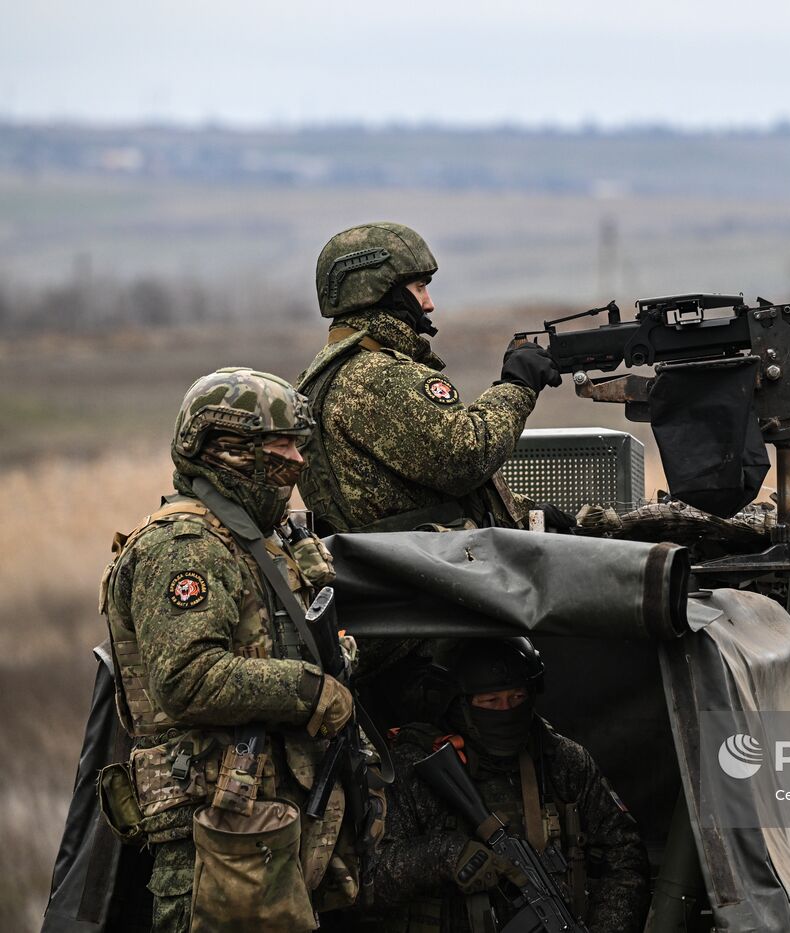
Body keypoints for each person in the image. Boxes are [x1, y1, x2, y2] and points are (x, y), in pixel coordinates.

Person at [98, 367, 376, 932]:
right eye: (279, 445)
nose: (295, 461)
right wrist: (309, 690)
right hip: (219, 835)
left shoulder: (259, 541)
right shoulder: (185, 548)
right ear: (227, 450)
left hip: (276, 819)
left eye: (298, 445)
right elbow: (188, 678)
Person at [344, 638, 650, 933]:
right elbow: (362, 885)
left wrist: (608, 926)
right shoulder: (413, 768)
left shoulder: (563, 762)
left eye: (516, 697)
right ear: (459, 704)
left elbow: (624, 857)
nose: (506, 710)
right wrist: (443, 855)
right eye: (490, 701)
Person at [297, 221, 565, 536]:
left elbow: (414, 493)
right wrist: (518, 386)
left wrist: (523, 513)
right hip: (428, 571)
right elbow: (468, 456)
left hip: (399, 563)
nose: (429, 303)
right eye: (420, 288)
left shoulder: (325, 374)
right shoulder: (380, 377)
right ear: (382, 293)